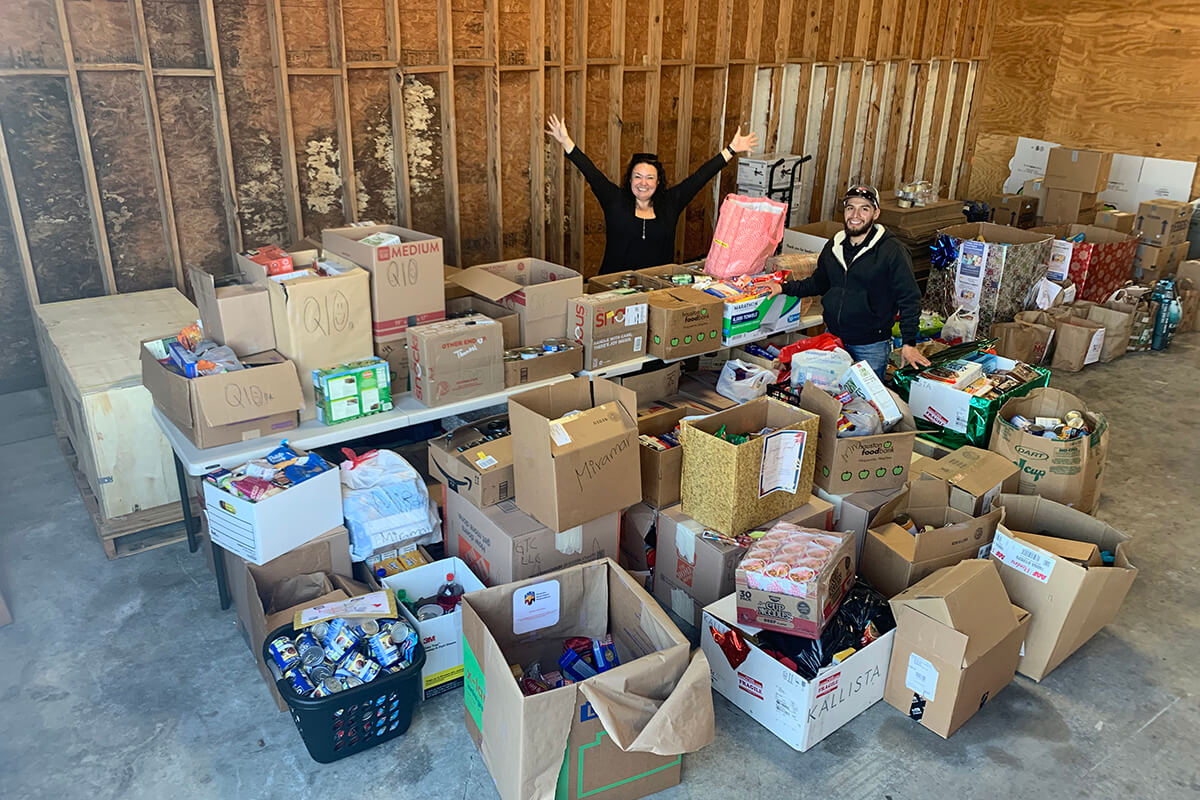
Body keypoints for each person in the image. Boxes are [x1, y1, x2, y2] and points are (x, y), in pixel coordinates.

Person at [546, 114, 758, 274]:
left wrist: (731, 149)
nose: (643, 183)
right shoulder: (615, 201)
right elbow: (591, 172)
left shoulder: (670, 203)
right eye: (638, 176)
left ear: (658, 181)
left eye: (649, 178)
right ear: (630, 180)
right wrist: (566, 142)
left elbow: (700, 177)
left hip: (657, 286)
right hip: (614, 287)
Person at [771, 184, 930, 380]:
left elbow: (909, 298)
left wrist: (909, 343)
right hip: (833, 339)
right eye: (850, 208)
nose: (856, 214)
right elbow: (819, 283)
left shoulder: (892, 251)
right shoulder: (834, 245)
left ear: (876, 213)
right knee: (831, 398)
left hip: (870, 347)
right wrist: (782, 287)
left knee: (866, 405)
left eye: (864, 208)